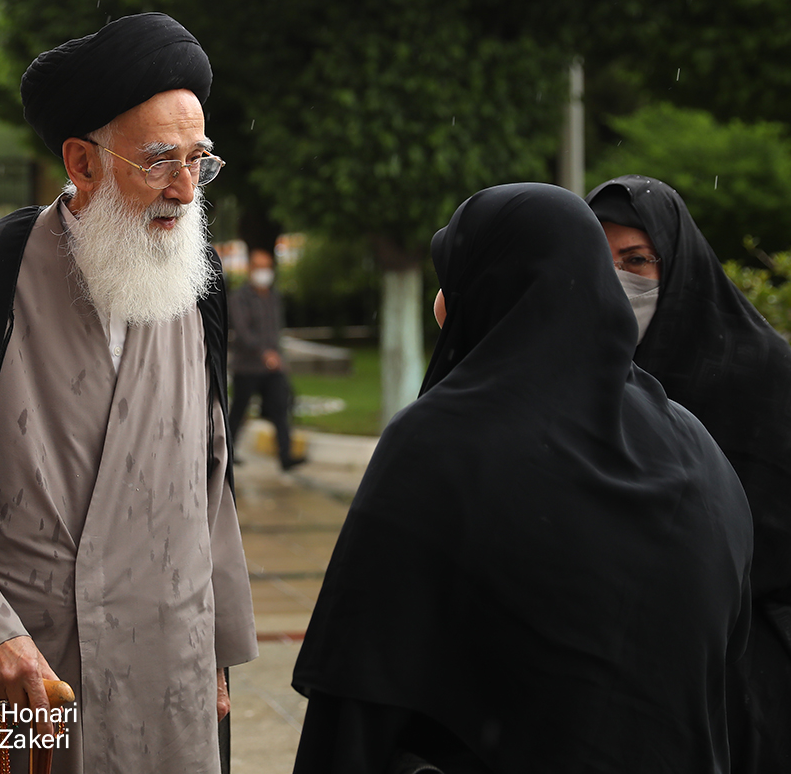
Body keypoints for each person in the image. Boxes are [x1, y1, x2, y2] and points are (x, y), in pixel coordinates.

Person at [0, 13, 258, 774]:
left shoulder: (197, 284)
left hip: (169, 673)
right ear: (83, 162)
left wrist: (220, 647)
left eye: (200, 161)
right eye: (161, 160)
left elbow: (212, 477)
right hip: (27, 684)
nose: (184, 189)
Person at [291, 183, 753, 773]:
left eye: (451, 277)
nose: (440, 303)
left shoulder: (439, 447)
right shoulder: (694, 446)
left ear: (485, 288)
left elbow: (359, 692)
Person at [586, 175, 791, 774]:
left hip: (742, 672)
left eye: (636, 260)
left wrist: (688, 584)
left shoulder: (756, 366)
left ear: (677, 262)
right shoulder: (583, 374)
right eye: (600, 260)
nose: (619, 282)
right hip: (617, 665)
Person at [227, 248, 304, 470]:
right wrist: (264, 353)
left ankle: (285, 456)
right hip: (247, 367)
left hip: (273, 367)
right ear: (250, 269)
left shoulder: (273, 295)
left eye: (267, 267)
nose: (263, 272)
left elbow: (276, 330)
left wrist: (278, 356)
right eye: (259, 267)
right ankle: (227, 453)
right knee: (240, 410)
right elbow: (243, 332)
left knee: (281, 408)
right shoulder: (239, 297)